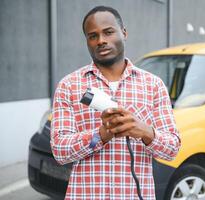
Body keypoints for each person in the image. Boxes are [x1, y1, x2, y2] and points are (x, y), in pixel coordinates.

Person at [50, 5, 180, 200]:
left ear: (124, 32)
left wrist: (144, 131)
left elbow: (172, 149)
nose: (101, 40)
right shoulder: (69, 86)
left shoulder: (153, 85)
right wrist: (100, 135)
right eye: (92, 36)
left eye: (108, 32)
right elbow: (60, 151)